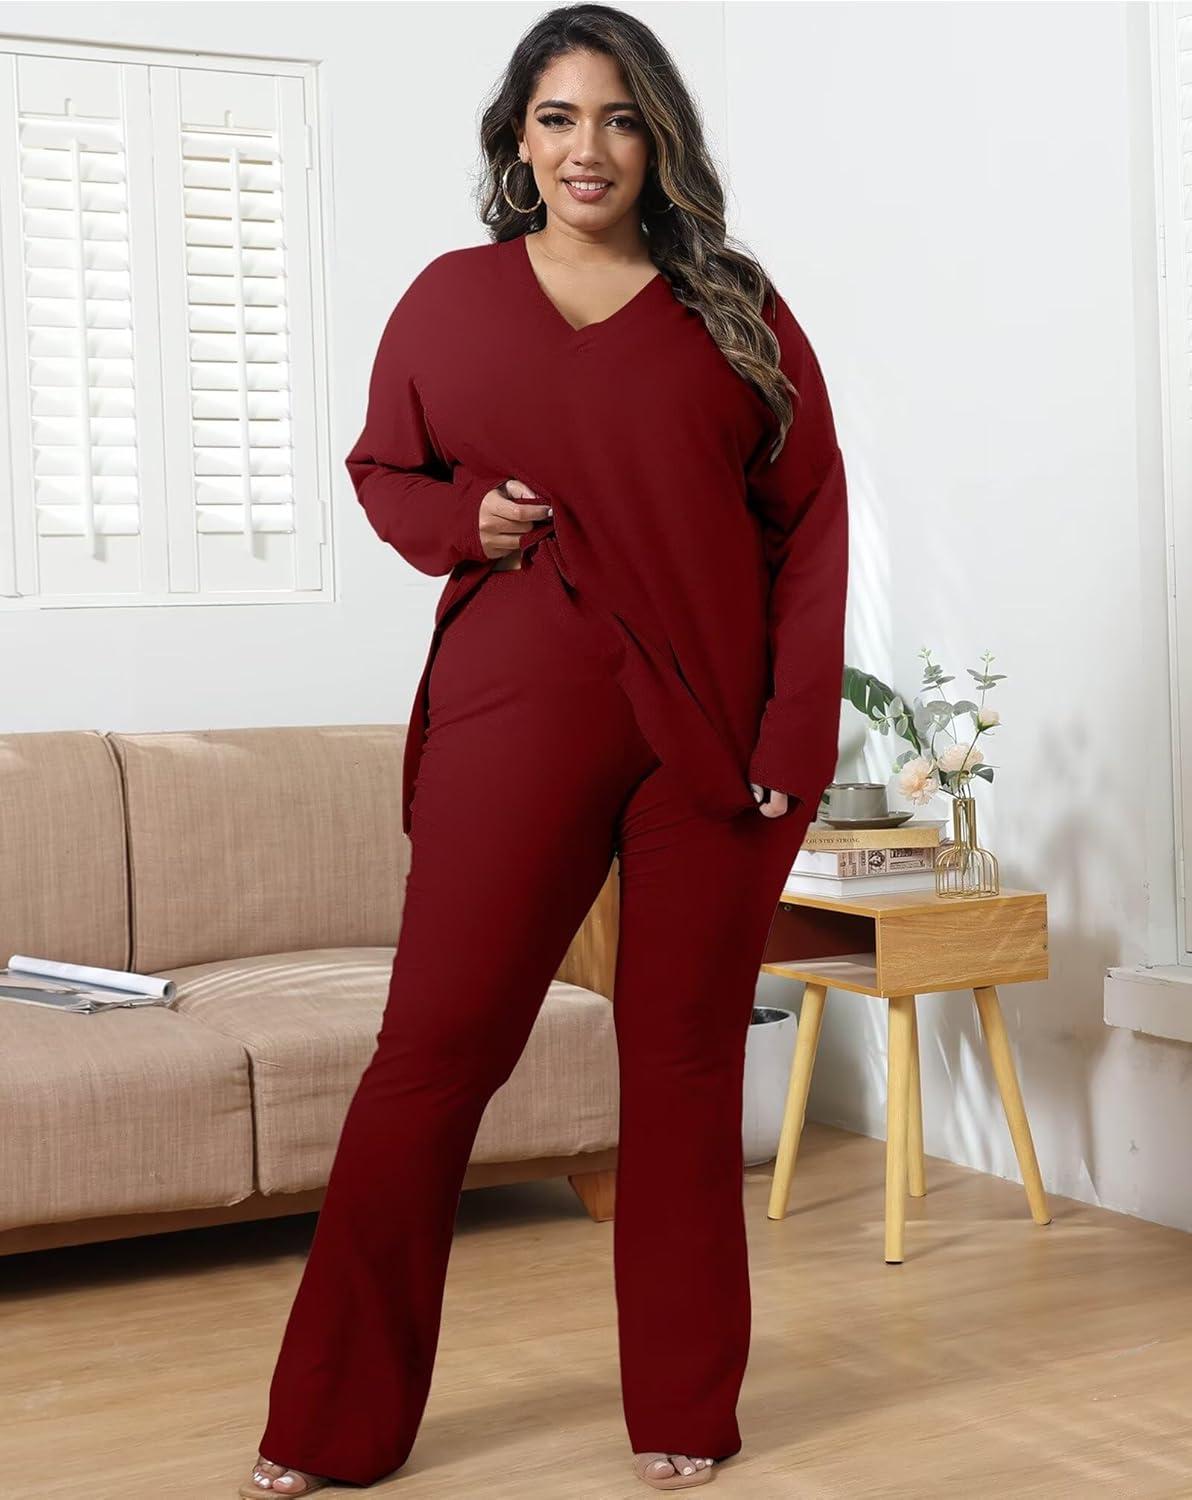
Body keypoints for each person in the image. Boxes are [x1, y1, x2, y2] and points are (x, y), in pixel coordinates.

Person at [239, 4, 848, 1495]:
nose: (591, 148)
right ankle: (329, 1424)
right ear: (518, 136)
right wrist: (469, 521)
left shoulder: (736, 309)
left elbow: (812, 523)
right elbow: (385, 468)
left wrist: (793, 730)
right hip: (516, 710)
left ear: (660, 139)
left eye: (622, 118)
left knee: (685, 1067)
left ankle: (686, 1411)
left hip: (713, 738)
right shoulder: (452, 299)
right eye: (562, 116)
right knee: (433, 1055)